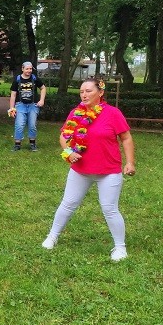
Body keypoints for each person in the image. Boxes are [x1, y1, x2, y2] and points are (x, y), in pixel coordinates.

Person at [41, 76, 135, 261]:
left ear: (100, 92)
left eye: (88, 91)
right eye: (81, 92)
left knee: (109, 209)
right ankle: (52, 236)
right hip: (80, 170)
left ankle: (120, 247)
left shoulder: (113, 113)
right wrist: (68, 151)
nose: (84, 95)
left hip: (108, 171)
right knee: (68, 204)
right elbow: (64, 136)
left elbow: (126, 138)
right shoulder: (76, 113)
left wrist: (130, 162)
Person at [9, 61, 46, 151]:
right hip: (20, 106)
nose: (29, 71)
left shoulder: (34, 78)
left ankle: (32, 144)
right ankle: (17, 144)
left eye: (30, 69)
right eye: (27, 69)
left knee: (32, 125)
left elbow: (43, 88)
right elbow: (13, 95)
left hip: (33, 105)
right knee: (19, 125)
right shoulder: (17, 79)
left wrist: (42, 100)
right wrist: (12, 108)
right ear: (22, 69)